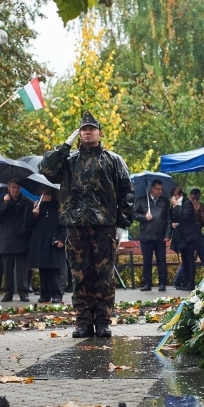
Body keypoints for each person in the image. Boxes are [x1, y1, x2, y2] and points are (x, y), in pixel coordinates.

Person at [39, 111, 134, 338]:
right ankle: (83, 322)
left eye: (92, 128)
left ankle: (102, 321)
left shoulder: (113, 160)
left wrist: (122, 224)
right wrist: (65, 145)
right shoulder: (69, 161)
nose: (88, 132)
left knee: (104, 276)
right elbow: (45, 169)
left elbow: (127, 192)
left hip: (104, 227)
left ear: (100, 133)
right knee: (80, 276)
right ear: (79, 134)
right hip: (76, 227)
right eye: (84, 129)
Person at [28, 188, 67, 303]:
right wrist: (34, 214)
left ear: (49, 195)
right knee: (43, 269)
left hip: (53, 241)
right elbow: (30, 225)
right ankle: (45, 294)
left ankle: (56, 294)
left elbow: (64, 225)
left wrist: (62, 238)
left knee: (54, 270)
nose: (41, 196)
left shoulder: (59, 207)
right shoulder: (40, 207)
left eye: (43, 194)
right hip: (41, 242)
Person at [132, 179, 171, 292]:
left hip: (160, 236)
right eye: (158, 189)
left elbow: (168, 219)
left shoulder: (164, 201)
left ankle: (162, 283)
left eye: (161, 189)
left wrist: (168, 233)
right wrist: (144, 217)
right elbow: (134, 214)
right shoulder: (142, 200)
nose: (160, 191)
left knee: (161, 261)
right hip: (146, 236)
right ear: (152, 188)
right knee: (147, 261)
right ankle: (147, 283)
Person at [0, 180, 32, 302]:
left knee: (22, 268)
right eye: (13, 187)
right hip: (6, 238)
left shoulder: (27, 202)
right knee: (7, 268)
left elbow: (31, 221)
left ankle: (23, 292)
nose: (15, 190)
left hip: (21, 238)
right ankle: (8, 292)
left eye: (17, 187)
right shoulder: (2, 201)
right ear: (8, 187)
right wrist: (5, 204)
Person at [170, 186, 201, 291]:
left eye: (176, 196)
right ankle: (185, 281)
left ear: (180, 195)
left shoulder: (187, 203)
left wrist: (176, 206)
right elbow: (176, 217)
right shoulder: (176, 205)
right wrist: (173, 224)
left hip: (189, 236)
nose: (174, 198)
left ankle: (191, 283)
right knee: (184, 260)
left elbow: (185, 215)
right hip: (181, 236)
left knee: (189, 259)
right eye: (173, 196)